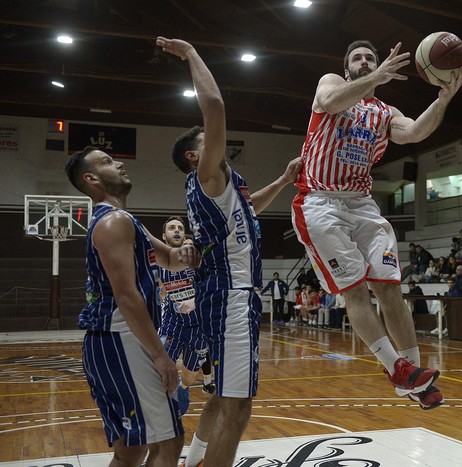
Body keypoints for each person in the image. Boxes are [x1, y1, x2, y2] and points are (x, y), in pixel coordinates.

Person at [291, 39, 462, 410]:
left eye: (370, 57)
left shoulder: (384, 112)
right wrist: (377, 75)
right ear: (347, 67)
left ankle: (415, 379)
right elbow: (328, 103)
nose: (365, 61)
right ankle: (395, 368)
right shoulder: (331, 83)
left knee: (390, 290)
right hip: (320, 201)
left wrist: (444, 99)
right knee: (354, 291)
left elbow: (416, 132)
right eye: (357, 58)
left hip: (363, 204)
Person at [159, 36, 301, 467]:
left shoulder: (221, 190)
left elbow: (248, 211)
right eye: (209, 141)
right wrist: (191, 54)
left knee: (223, 397)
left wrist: (282, 179)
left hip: (223, 293)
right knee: (238, 407)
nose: (219, 142)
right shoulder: (206, 174)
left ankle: (193, 459)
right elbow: (215, 107)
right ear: (194, 154)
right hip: (231, 294)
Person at [65, 146, 201, 466]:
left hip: (111, 343)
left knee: (131, 450)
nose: (119, 162)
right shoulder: (113, 222)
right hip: (121, 339)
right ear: (91, 178)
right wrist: (161, 355)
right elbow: (126, 296)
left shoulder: (126, 220)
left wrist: (205, 248)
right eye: (107, 162)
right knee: (168, 441)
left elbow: (169, 257)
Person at [158, 217, 212, 416]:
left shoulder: (198, 261)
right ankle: (166, 414)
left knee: (189, 378)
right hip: (173, 324)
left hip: (199, 328)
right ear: (164, 236)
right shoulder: (158, 263)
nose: (177, 230)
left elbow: (217, 289)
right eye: (172, 228)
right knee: (161, 368)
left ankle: (183, 387)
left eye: (180, 227)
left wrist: (196, 301)